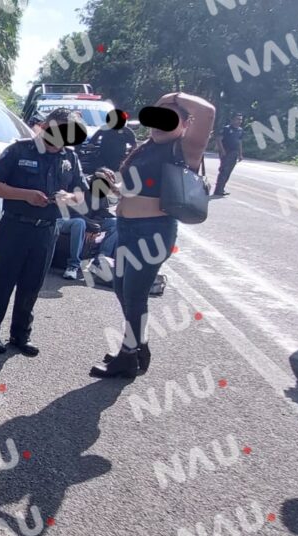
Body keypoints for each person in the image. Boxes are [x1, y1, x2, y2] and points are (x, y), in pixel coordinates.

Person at [91, 92, 215, 378]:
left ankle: (128, 356)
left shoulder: (184, 148)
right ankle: (138, 346)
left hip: (152, 233)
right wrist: (114, 190)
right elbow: (137, 191)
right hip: (127, 229)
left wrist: (173, 96)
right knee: (122, 289)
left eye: (169, 117)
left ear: (185, 123)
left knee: (134, 295)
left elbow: (208, 112)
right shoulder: (146, 147)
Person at [0, 108, 88, 356]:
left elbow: (81, 194)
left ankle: (20, 335)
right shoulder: (19, 150)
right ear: (46, 126)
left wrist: (68, 197)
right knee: (4, 282)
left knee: (32, 284)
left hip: (47, 230)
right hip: (16, 226)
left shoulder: (70, 158)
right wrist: (26, 195)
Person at [59, 168, 119, 280]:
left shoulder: (102, 190)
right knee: (80, 223)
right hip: (66, 219)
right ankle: (73, 266)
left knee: (116, 223)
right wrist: (89, 223)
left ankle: (99, 262)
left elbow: (101, 211)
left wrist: (97, 222)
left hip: (89, 221)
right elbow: (70, 211)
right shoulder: (81, 186)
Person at [213, 113, 244, 196]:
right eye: (237, 119)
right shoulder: (226, 129)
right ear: (232, 119)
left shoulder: (240, 130)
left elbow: (240, 142)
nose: (239, 121)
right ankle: (218, 190)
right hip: (226, 152)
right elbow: (219, 139)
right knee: (224, 171)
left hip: (234, 152)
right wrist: (222, 151)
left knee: (228, 171)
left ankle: (221, 189)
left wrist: (240, 154)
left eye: (240, 119)